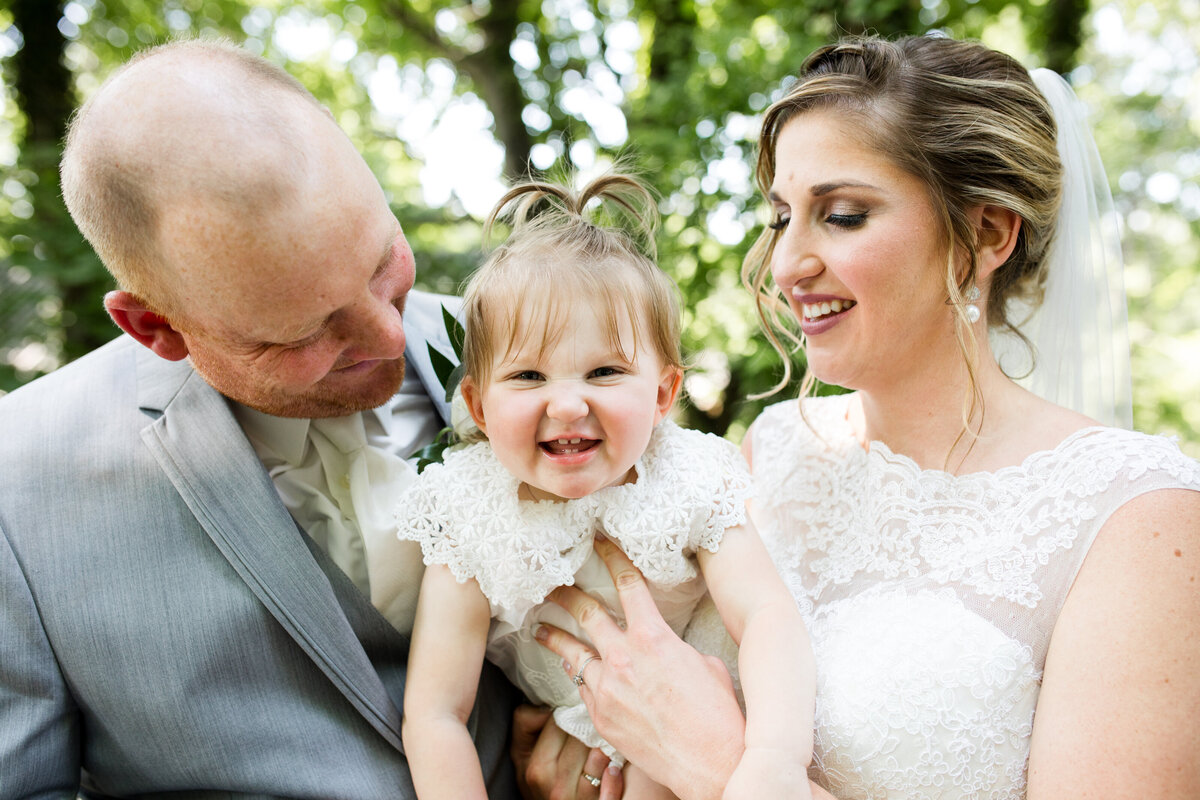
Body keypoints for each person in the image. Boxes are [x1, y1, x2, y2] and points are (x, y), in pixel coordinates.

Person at [534, 34, 1200, 799]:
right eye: (783, 216)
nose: (786, 264)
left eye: (843, 215)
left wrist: (716, 764)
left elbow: (698, 740)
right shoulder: (773, 453)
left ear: (986, 233)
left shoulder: (1139, 516)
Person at [0, 38, 571, 798]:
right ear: (154, 327)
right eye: (307, 332)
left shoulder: (535, 357)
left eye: (381, 265)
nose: (389, 337)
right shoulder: (18, 483)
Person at [393, 174, 815, 800]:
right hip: (582, 750)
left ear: (664, 394)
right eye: (529, 374)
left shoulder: (689, 475)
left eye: (605, 371)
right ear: (479, 407)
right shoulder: (469, 511)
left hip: (710, 716)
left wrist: (774, 761)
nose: (566, 404)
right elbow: (434, 715)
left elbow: (766, 615)